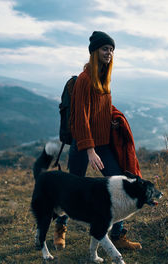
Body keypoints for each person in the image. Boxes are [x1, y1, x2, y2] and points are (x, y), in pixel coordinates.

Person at [53, 31, 142, 251]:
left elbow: (100, 109)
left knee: (119, 186)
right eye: (105, 49)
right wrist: (90, 149)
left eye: (111, 50)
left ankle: (118, 235)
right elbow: (79, 117)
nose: (109, 53)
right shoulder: (85, 79)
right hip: (84, 144)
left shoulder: (105, 77)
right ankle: (59, 228)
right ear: (95, 52)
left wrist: (113, 121)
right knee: (71, 188)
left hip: (103, 144)